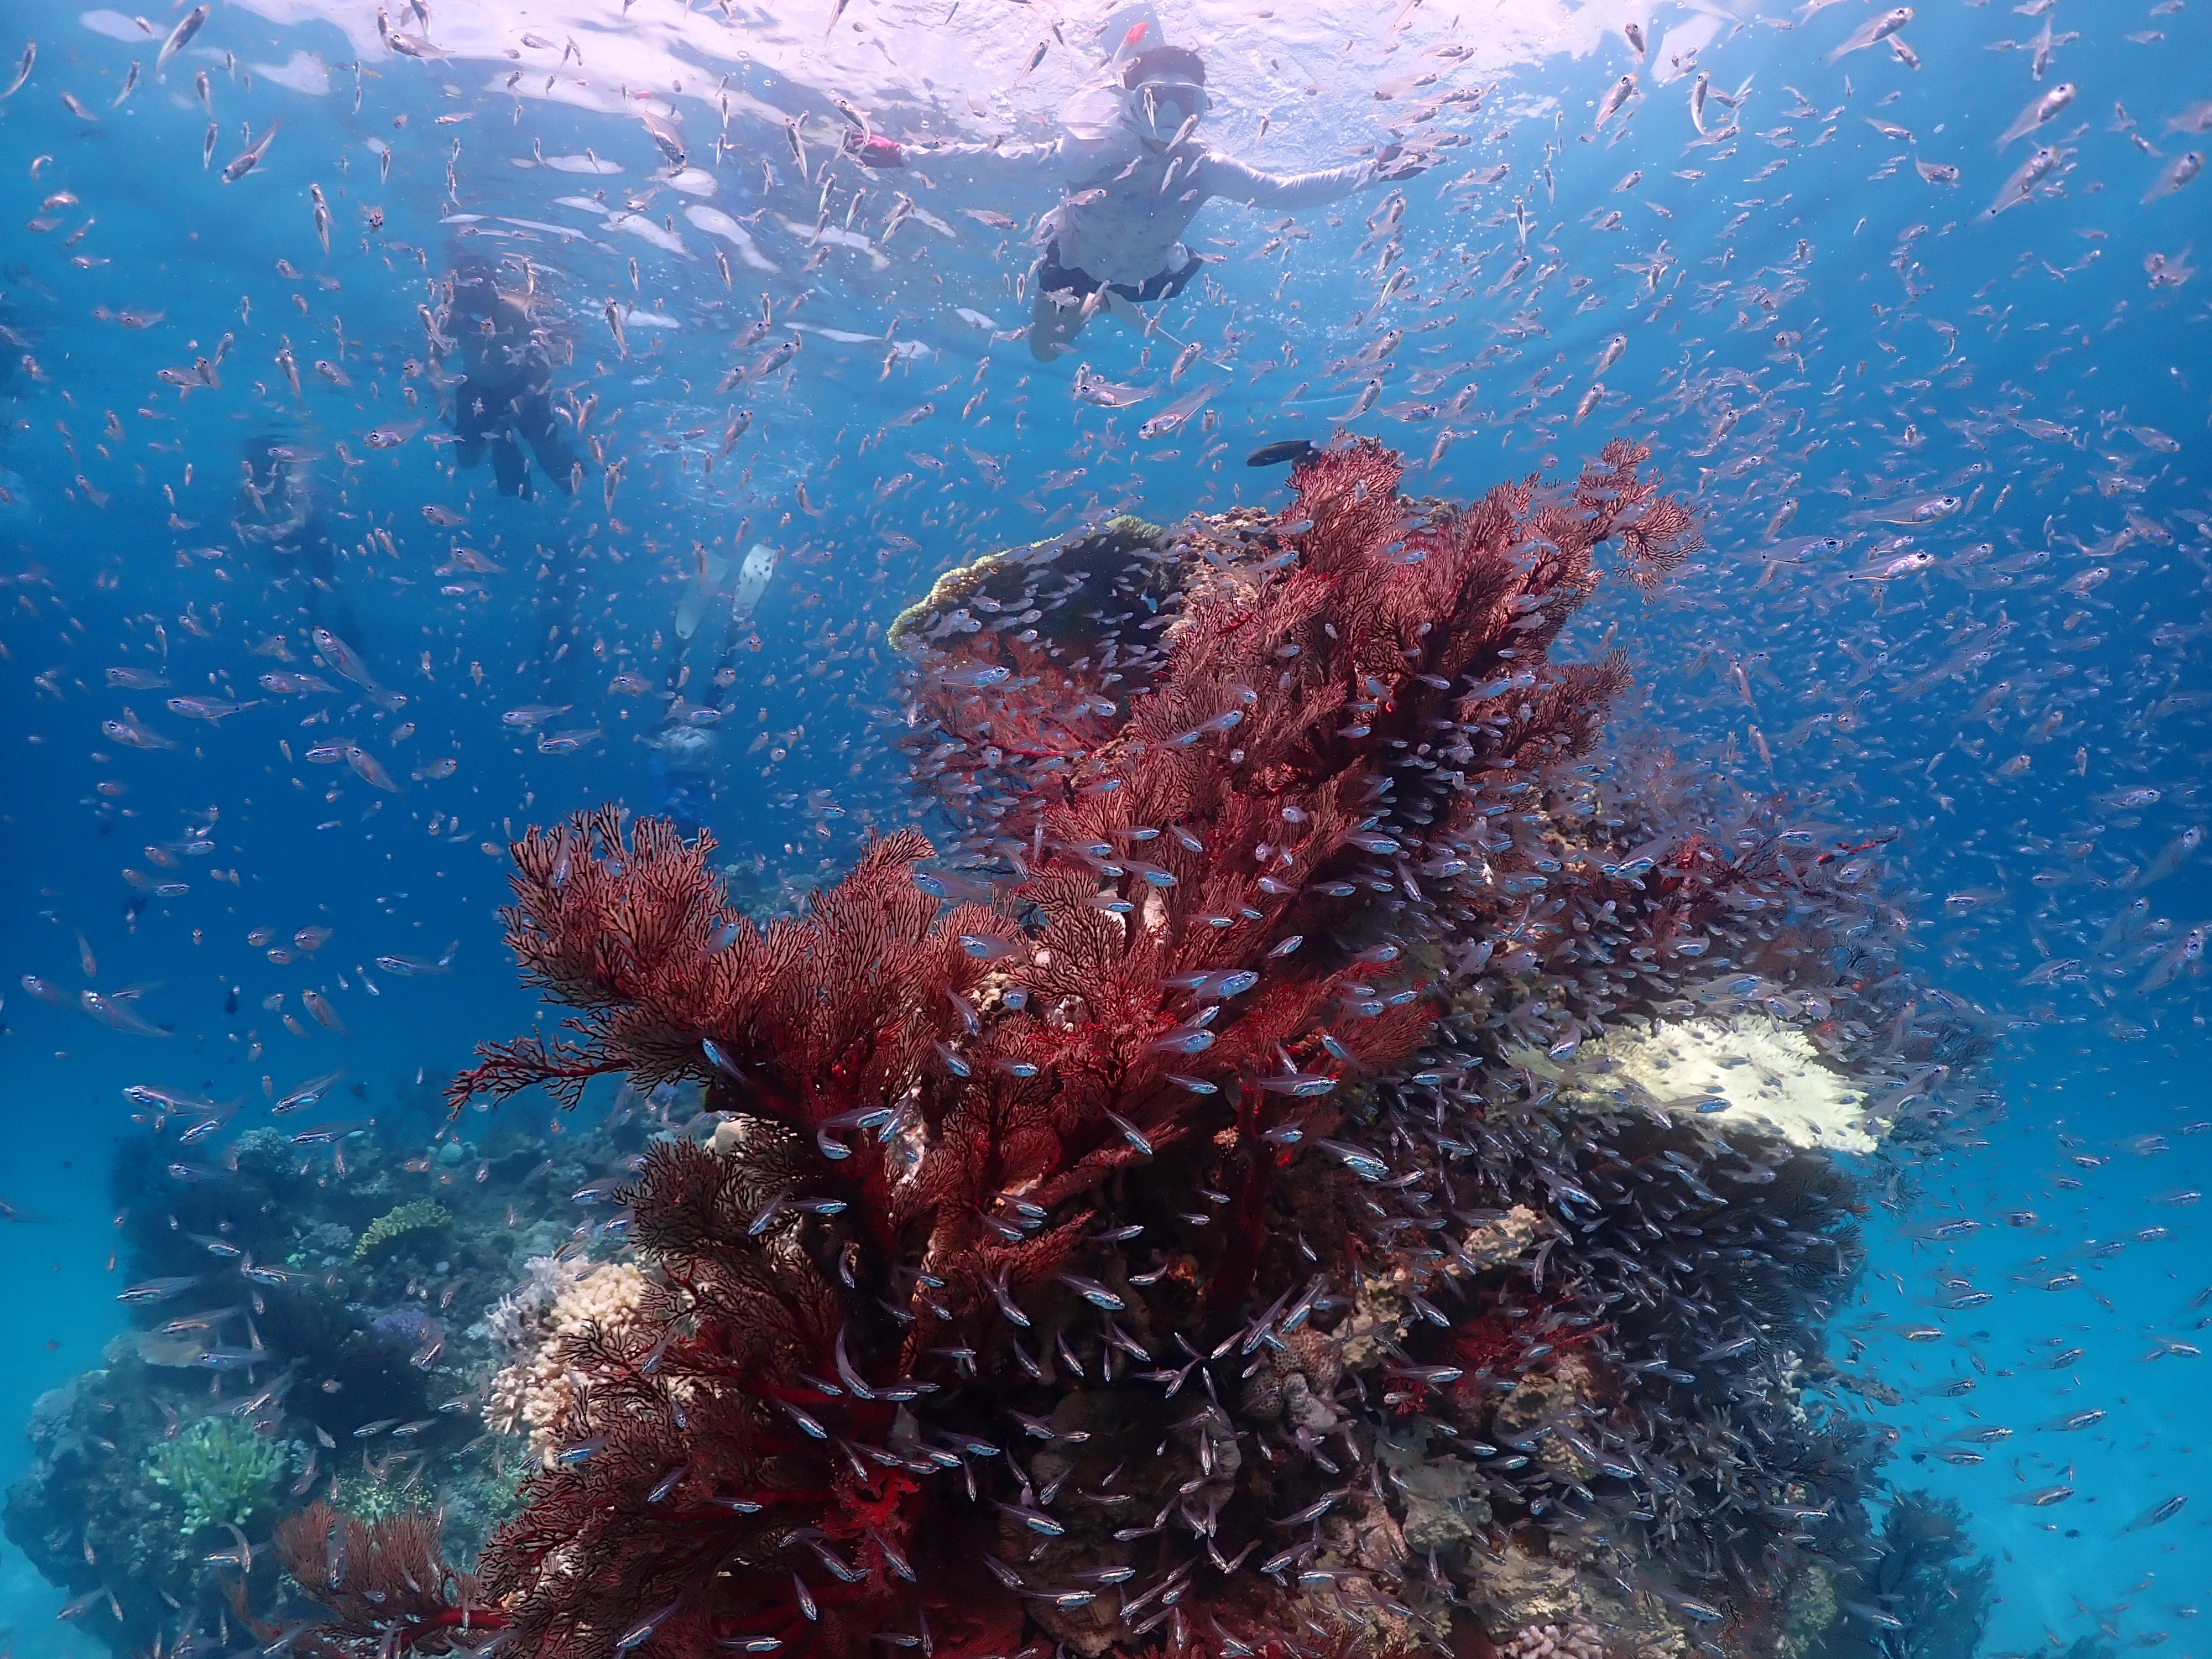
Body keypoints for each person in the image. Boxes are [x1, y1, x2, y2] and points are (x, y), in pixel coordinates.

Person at [844, 40, 1428, 360]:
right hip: (1070, 263)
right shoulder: (1087, 155)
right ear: (1129, 103)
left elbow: (1281, 193)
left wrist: (1371, 172)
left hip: (1148, 276)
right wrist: (904, 154)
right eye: (1157, 101)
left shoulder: (1206, 166)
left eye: (1185, 104)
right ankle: (1085, 302)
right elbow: (992, 159)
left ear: (1201, 113)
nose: (1170, 118)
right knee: (1046, 351)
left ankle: (1109, 301)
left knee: (1121, 296)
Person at [439, 254, 582, 500]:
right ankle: (499, 435)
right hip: (475, 387)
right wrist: (439, 393)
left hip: (520, 383)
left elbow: (547, 352)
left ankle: (574, 481)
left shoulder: (515, 311)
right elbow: (433, 355)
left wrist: (529, 393)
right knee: (467, 460)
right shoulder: (450, 314)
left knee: (546, 445)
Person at [232, 436, 364, 643]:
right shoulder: (250, 483)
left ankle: (343, 614)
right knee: (284, 573)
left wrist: (267, 531)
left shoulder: (293, 479)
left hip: (311, 533)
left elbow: (301, 520)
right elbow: (242, 514)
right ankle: (312, 605)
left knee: (327, 576)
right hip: (280, 537)